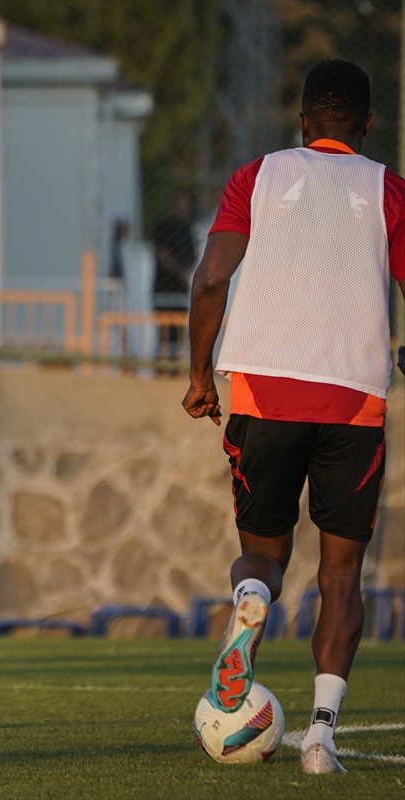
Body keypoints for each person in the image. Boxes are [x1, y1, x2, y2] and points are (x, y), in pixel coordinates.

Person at [182, 59, 404, 775]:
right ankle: (320, 739)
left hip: (263, 390)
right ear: (368, 125)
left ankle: (251, 597)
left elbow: (212, 275)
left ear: (303, 122)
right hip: (352, 398)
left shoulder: (257, 177)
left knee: (265, 553)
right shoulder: (389, 190)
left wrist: (198, 374)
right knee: (341, 574)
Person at [151, 191, 196, 361]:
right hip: (163, 283)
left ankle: (176, 363)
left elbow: (192, 257)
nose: (183, 209)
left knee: (179, 324)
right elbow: (161, 253)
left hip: (181, 286)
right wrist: (179, 272)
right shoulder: (164, 226)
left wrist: (185, 274)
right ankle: (163, 363)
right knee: (163, 324)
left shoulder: (187, 230)